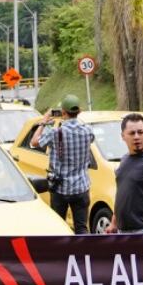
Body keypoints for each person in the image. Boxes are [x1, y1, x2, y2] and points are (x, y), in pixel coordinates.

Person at [29, 95, 95, 234]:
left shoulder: (55, 132)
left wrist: (43, 122)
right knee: (82, 228)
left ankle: (62, 255)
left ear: (63, 112)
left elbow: (34, 142)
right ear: (80, 111)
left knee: (59, 228)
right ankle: (82, 254)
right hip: (82, 188)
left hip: (60, 189)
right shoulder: (88, 130)